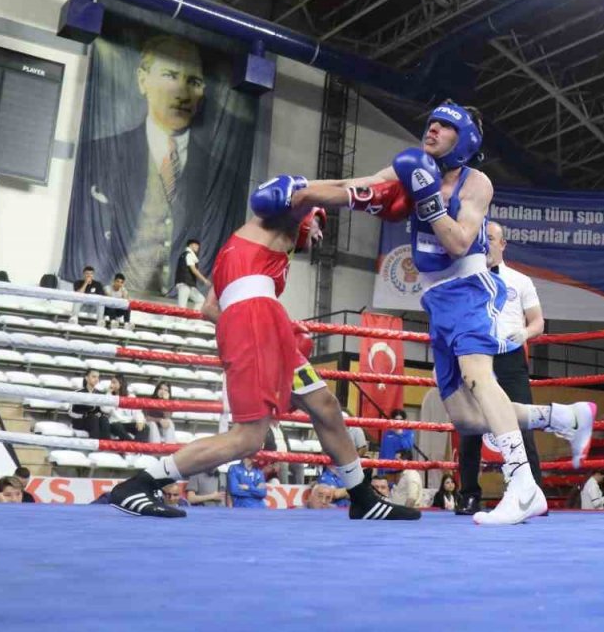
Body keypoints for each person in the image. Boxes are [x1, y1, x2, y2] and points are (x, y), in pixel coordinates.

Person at [283, 101, 595, 526]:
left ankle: (523, 487)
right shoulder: (410, 169)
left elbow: (461, 242)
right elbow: (356, 185)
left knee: (480, 379)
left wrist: (429, 199)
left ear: (463, 139)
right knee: (467, 419)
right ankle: (565, 416)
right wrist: (300, 191)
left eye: (444, 126)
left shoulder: (477, 183)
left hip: (470, 289)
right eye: (430, 122)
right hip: (436, 301)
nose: (431, 130)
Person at [105, 201, 418, 521]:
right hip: (255, 337)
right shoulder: (271, 236)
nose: (321, 233)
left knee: (325, 406)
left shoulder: (270, 255)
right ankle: (139, 484)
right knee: (248, 439)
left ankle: (363, 498)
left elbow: (214, 306)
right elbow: (210, 308)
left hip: (271, 336)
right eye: (318, 224)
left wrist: (279, 324)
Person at [63, 34, 249, 297]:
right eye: (170, 75)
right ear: (142, 80)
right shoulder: (100, 153)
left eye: (193, 81)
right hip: (121, 294)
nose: (183, 93)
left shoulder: (224, 175)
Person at [456, 219, 545, 514]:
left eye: (491, 239)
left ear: (503, 243)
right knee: (470, 426)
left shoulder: (521, 281)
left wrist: (525, 333)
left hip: (510, 356)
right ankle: (469, 495)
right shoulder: (466, 277)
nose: (486, 244)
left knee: (522, 423)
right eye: (482, 239)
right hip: (475, 355)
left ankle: (535, 494)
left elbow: (538, 322)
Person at [67, 369, 112, 440]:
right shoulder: (78, 393)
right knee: (93, 418)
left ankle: (106, 446)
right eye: (94, 377)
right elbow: (70, 412)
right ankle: (94, 445)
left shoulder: (100, 394)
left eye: (98, 377)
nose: (96, 379)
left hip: (94, 420)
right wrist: (84, 414)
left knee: (104, 419)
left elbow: (103, 410)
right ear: (86, 378)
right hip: (80, 421)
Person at [106, 377, 147, 441]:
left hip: (129, 422)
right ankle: (133, 447)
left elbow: (138, 412)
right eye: (111, 382)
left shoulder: (131, 396)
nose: (112, 384)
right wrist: (108, 393)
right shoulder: (110, 396)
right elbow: (104, 409)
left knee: (145, 427)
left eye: (114, 382)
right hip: (115, 423)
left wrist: (140, 421)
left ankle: (135, 447)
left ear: (121, 383)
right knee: (117, 426)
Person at [378, 409, 415, 476]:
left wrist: (399, 434)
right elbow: (382, 452)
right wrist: (380, 471)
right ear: (392, 420)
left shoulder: (408, 432)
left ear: (404, 420)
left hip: (401, 469)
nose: (398, 422)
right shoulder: (387, 433)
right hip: (387, 469)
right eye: (396, 419)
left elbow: (408, 448)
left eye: (401, 420)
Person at [174, 239, 209, 310]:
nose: (197, 247)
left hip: (189, 284)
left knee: (201, 300)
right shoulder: (188, 255)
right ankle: (181, 321)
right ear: (190, 245)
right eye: (196, 245)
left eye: (198, 246)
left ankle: (192, 317)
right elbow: (194, 270)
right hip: (184, 284)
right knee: (182, 307)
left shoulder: (188, 255)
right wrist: (205, 280)